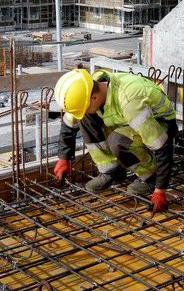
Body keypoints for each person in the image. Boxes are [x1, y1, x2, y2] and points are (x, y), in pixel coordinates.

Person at [53, 68, 176, 213]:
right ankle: (111, 170)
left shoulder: (130, 102)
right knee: (85, 119)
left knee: (117, 141)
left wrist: (160, 189)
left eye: (84, 108)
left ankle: (150, 176)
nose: (83, 111)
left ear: (93, 98)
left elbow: (162, 146)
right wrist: (64, 158)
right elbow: (69, 124)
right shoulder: (89, 90)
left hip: (160, 123)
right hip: (125, 119)